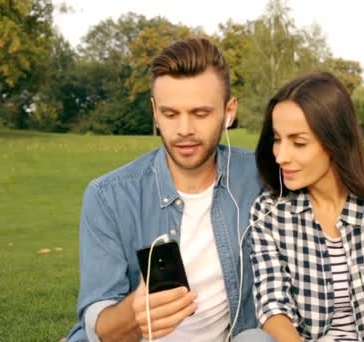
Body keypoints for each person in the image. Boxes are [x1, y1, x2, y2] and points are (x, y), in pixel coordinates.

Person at [66, 38, 273, 342]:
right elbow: (98, 322)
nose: (184, 129)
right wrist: (131, 316)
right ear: (154, 111)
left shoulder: (261, 178)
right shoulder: (108, 196)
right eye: (170, 114)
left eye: (200, 113)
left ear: (229, 110)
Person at [249, 72, 364, 341]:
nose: (280, 155)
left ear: (335, 142)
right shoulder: (269, 211)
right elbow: (272, 304)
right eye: (277, 139)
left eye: (298, 143)